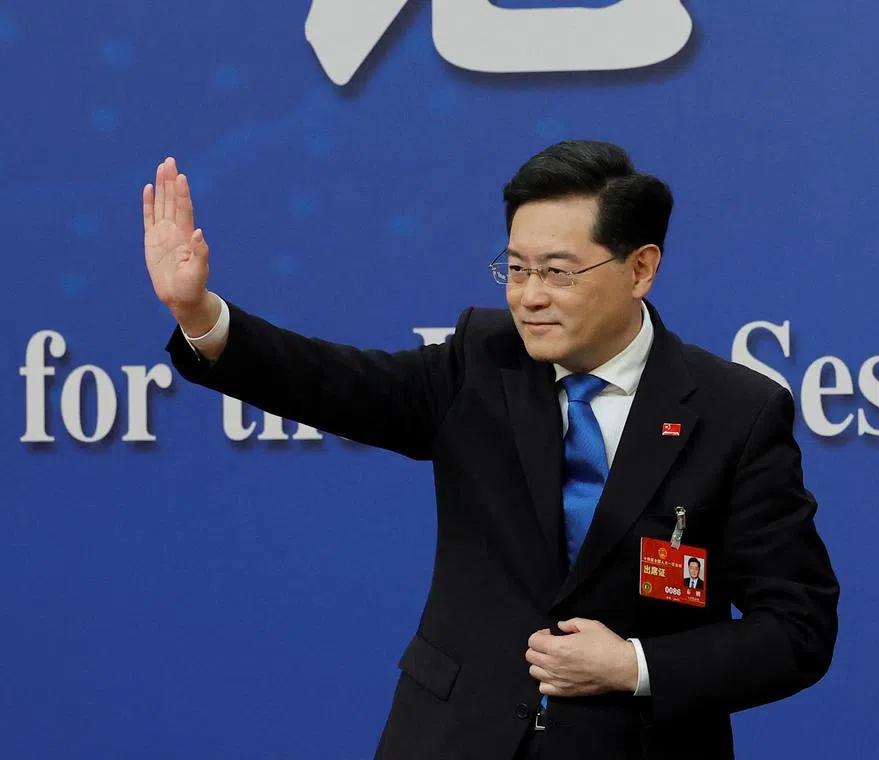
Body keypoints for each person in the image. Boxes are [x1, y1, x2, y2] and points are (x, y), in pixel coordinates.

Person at [142, 140, 839, 760]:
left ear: (640, 268)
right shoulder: (481, 360)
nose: (529, 297)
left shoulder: (734, 414)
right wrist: (201, 315)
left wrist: (635, 665)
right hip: (453, 735)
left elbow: (796, 630)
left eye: (559, 272)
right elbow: (333, 383)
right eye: (515, 268)